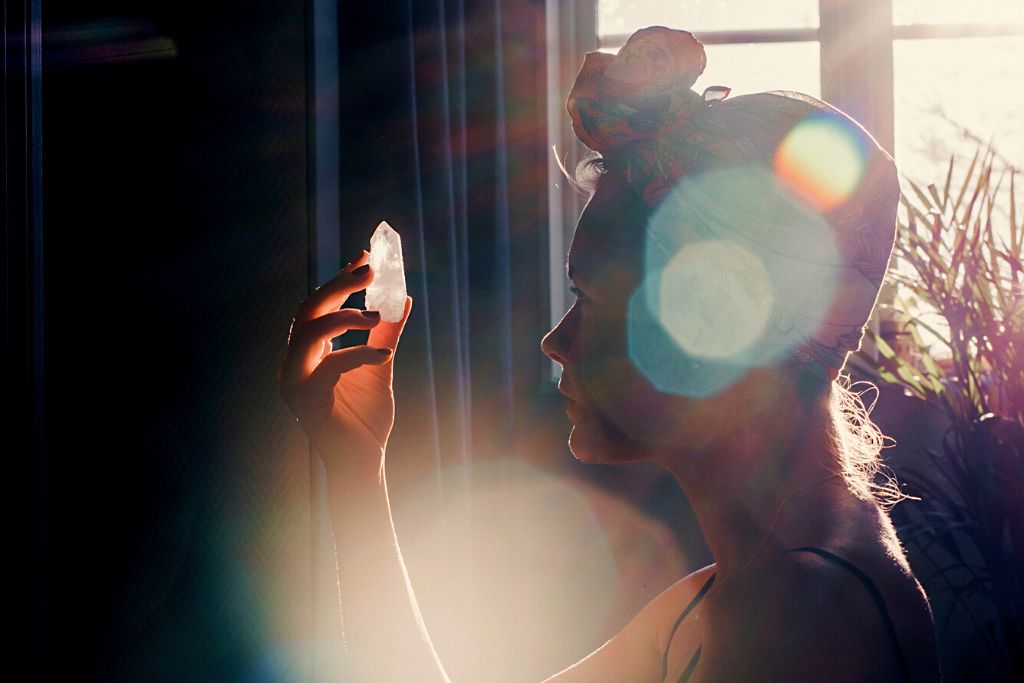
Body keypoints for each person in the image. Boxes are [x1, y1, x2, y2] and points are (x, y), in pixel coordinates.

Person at [278, 25, 942, 682]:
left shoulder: (796, 620)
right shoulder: (750, 590)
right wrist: (356, 464)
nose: (556, 341)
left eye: (591, 300)